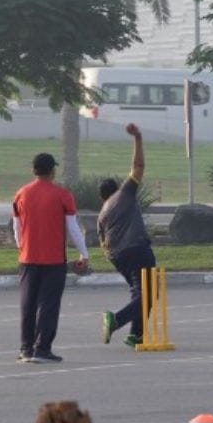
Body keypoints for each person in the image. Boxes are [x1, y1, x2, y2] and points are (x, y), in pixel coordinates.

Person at [13, 152, 89, 364]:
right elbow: (72, 228)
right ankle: (42, 348)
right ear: (52, 171)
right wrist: (84, 253)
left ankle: (26, 349)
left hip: (27, 258)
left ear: (33, 170)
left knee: (27, 304)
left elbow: (16, 226)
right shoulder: (62, 195)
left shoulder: (20, 194)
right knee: (48, 305)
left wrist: (22, 247)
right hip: (53, 260)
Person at [98, 123, 158, 349]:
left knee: (141, 294)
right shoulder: (123, 195)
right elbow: (138, 165)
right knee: (150, 292)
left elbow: (103, 244)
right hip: (137, 249)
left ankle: (137, 335)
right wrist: (138, 138)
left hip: (117, 257)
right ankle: (116, 320)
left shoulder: (102, 214)